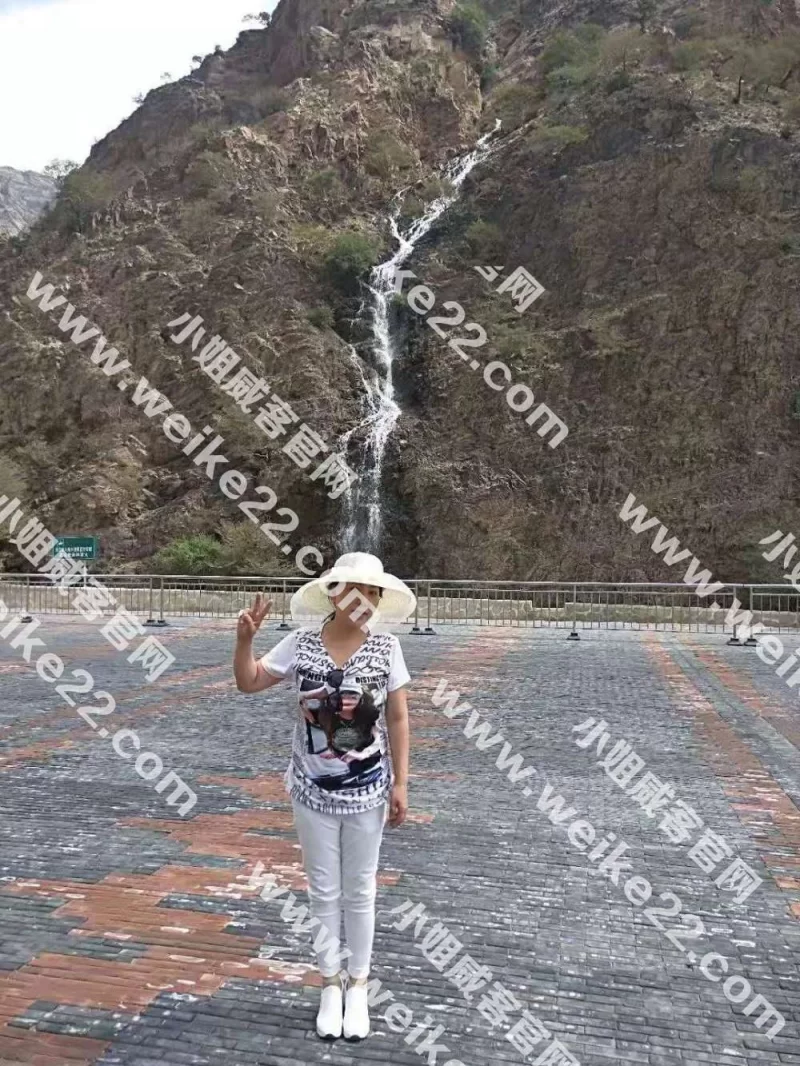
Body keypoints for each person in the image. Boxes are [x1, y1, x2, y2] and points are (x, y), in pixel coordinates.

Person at [233, 551, 415, 1041]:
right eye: (356, 590)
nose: (365, 600)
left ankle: (359, 985)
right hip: (311, 789)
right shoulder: (301, 644)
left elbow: (398, 717)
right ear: (334, 594)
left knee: (360, 889)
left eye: (374, 593)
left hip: (368, 790)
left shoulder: (387, 648)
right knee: (322, 890)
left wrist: (400, 781)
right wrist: (245, 641)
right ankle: (329, 984)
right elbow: (248, 682)